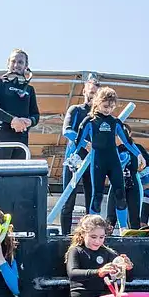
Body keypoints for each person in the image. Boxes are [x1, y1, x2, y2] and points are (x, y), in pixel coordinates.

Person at [69, 87, 144, 232]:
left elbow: (127, 141)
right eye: (105, 106)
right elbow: (79, 141)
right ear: (97, 103)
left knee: (120, 193)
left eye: (111, 107)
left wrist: (138, 154)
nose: (108, 110)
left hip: (113, 162)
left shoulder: (115, 122)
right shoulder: (89, 121)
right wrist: (74, 156)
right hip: (98, 162)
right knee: (97, 195)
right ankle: (91, 229)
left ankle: (123, 228)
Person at [59, 76, 98, 234]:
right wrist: (84, 143)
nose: (92, 96)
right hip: (74, 160)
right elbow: (67, 131)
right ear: (84, 92)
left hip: (92, 162)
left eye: (96, 93)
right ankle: (64, 235)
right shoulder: (75, 110)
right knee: (68, 200)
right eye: (90, 92)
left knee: (92, 200)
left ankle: (90, 235)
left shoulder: (101, 116)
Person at [0, 49, 40, 160]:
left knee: (18, 176)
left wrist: (29, 121)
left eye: (20, 62)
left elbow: (36, 115)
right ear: (8, 63)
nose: (16, 65)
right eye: (13, 61)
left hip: (22, 138)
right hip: (2, 135)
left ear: (26, 66)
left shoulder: (29, 89)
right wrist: (13, 120)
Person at [105, 123, 146, 231]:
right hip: (116, 184)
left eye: (124, 133)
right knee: (111, 214)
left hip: (132, 183)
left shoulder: (137, 147)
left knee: (134, 214)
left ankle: (134, 238)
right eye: (118, 133)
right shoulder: (113, 148)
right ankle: (106, 237)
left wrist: (139, 172)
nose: (121, 136)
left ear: (129, 134)